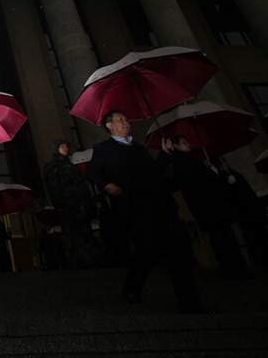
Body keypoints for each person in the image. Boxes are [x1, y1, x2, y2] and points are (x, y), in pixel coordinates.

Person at [85, 110, 203, 314]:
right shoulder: (103, 148)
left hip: (161, 205)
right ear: (109, 125)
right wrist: (107, 185)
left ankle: (189, 302)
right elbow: (91, 172)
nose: (126, 122)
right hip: (136, 209)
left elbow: (154, 174)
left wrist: (165, 155)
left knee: (179, 251)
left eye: (126, 118)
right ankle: (132, 287)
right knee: (146, 251)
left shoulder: (139, 148)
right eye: (120, 119)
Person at [157, 136, 253, 279]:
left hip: (210, 204)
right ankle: (231, 268)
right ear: (176, 146)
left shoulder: (189, 159)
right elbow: (195, 181)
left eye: (187, 141)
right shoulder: (180, 162)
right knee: (220, 238)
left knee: (222, 237)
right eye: (184, 142)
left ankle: (233, 267)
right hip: (206, 206)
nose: (188, 144)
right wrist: (211, 173)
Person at [43, 140, 101, 269]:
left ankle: (90, 262)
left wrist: (90, 204)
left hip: (81, 207)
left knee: (86, 234)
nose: (65, 149)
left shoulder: (74, 168)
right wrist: (59, 204)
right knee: (72, 236)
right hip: (68, 207)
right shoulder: (52, 166)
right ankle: (76, 264)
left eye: (66, 146)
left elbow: (83, 187)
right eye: (62, 146)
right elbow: (52, 187)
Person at [212, 157, 268, 266]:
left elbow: (249, 193)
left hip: (252, 209)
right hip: (243, 212)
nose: (226, 165)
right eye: (223, 164)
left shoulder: (235, 174)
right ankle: (261, 259)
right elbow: (228, 196)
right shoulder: (222, 179)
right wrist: (230, 185)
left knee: (262, 234)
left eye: (225, 162)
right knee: (253, 235)